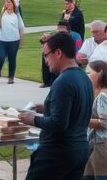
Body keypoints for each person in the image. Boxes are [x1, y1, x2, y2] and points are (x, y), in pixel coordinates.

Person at [19, 31, 93, 180]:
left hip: (57, 154)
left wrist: (32, 118)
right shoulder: (83, 77)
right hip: (79, 151)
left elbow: (59, 124)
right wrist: (45, 107)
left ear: (58, 53)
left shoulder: (63, 81)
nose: (45, 61)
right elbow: (73, 109)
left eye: (46, 55)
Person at [0, 0, 24, 84]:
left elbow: (21, 28)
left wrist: (21, 41)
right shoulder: (3, 14)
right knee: (0, 57)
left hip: (14, 41)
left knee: (12, 59)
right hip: (2, 40)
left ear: (13, 4)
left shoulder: (17, 15)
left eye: (10, 2)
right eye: (6, 1)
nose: (8, 3)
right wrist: (1, 14)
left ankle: (11, 77)